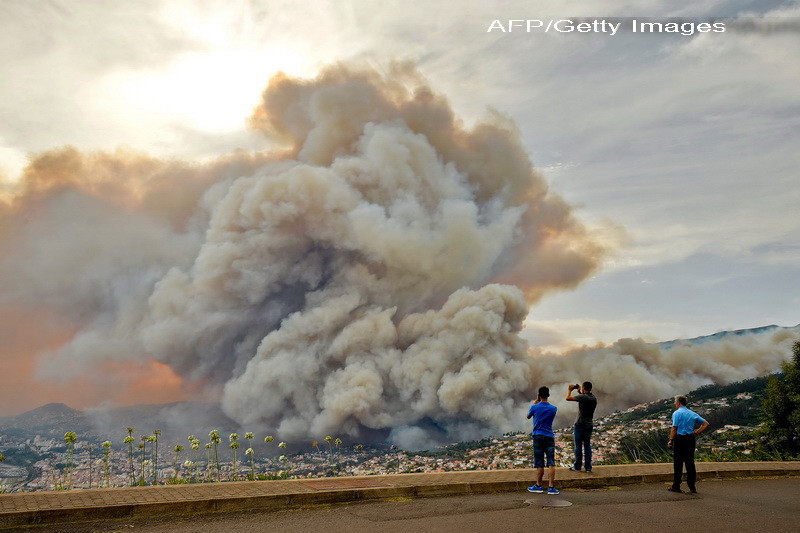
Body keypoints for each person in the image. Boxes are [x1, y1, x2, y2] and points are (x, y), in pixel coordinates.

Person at [667, 395, 710, 493]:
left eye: (675, 402)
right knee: (690, 462)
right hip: (690, 439)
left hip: (680, 439)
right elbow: (706, 423)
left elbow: (674, 428)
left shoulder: (677, 413)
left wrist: (671, 439)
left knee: (678, 463)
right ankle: (692, 486)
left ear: (678, 402)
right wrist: (697, 432)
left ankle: (676, 486)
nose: (674, 403)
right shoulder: (692, 413)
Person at [526, 386, 559, 495]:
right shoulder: (554, 408)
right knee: (551, 463)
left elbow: (528, 416)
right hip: (549, 436)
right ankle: (551, 487)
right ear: (548, 395)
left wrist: (536, 402)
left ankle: (538, 485)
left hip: (538, 436)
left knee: (539, 462)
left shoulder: (534, 407)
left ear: (539, 395)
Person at [566, 381, 597, 473]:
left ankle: (577, 467)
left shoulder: (583, 397)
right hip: (589, 424)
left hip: (580, 424)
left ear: (584, 388)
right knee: (587, 445)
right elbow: (584, 398)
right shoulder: (593, 398)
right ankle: (588, 468)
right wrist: (579, 392)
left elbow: (568, 398)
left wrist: (569, 389)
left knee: (578, 446)